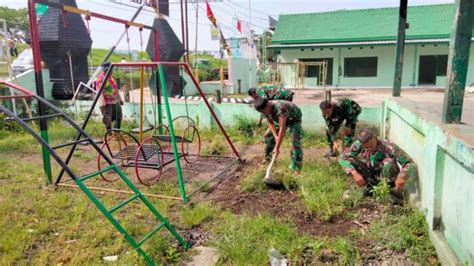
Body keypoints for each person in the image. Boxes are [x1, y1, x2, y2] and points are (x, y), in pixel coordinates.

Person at [338, 128, 415, 193]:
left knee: (388, 162)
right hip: (369, 173)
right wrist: (354, 173)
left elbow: (409, 163)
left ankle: (388, 191)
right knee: (350, 160)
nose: (370, 149)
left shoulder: (389, 146)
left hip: (384, 176)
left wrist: (402, 176)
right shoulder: (359, 144)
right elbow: (342, 157)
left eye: (371, 146)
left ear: (375, 137)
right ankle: (365, 186)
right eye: (366, 148)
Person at [254, 97, 303, 174]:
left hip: (293, 119)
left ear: (268, 105)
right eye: (262, 112)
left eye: (264, 111)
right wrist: (276, 136)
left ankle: (296, 168)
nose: (264, 113)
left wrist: (277, 147)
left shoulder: (280, 108)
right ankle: (269, 159)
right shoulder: (264, 108)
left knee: (295, 142)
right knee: (268, 136)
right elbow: (270, 122)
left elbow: (282, 128)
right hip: (279, 119)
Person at [96, 62, 123, 130]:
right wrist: (102, 104)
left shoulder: (111, 77)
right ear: (107, 69)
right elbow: (100, 92)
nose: (112, 70)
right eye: (111, 69)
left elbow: (115, 89)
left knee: (118, 116)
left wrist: (120, 98)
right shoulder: (101, 79)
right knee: (107, 119)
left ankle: (117, 133)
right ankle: (109, 135)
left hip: (114, 101)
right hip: (107, 103)